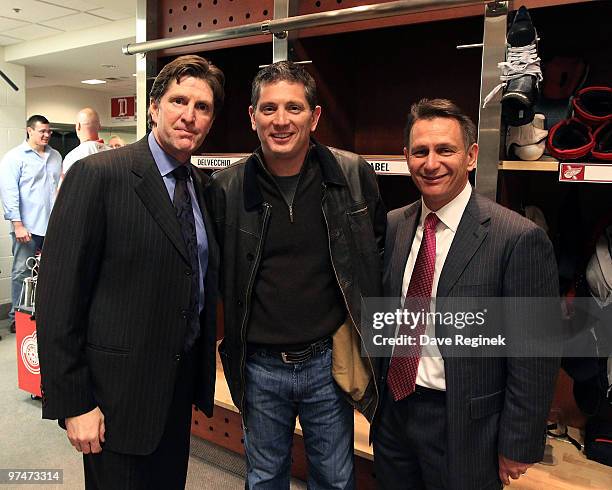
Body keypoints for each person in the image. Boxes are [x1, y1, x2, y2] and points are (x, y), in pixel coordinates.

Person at [36, 55, 224, 489]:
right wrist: (74, 403)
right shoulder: (98, 176)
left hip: (175, 390)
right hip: (112, 398)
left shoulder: (199, 185)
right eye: (179, 101)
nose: (189, 116)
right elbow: (59, 297)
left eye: (203, 107)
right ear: (154, 107)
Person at [206, 61, 385, 489]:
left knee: (336, 477)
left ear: (315, 116)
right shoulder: (225, 189)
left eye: (293, 107)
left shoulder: (352, 174)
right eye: (268, 109)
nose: (281, 120)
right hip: (259, 366)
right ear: (252, 117)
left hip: (329, 362)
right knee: (265, 476)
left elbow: (373, 257)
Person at [372, 98, 560, 489]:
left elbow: (535, 352)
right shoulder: (394, 225)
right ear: (406, 157)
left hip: (465, 425)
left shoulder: (517, 238)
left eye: (445, 150)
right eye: (420, 151)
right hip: (395, 413)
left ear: (471, 156)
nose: (431, 162)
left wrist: (519, 442)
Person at [0, 114, 61, 335]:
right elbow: (9, 193)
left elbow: (56, 191)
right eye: (42, 131)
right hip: (27, 227)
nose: (46, 135)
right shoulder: (14, 158)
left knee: (48, 272)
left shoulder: (55, 156)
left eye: (49, 131)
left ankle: (43, 312)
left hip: (51, 227)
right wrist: (18, 225)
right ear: (29, 131)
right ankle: (17, 315)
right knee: (21, 272)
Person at [62, 108, 110, 177]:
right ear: (99, 126)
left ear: (78, 126)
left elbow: (68, 186)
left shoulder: (72, 157)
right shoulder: (114, 153)